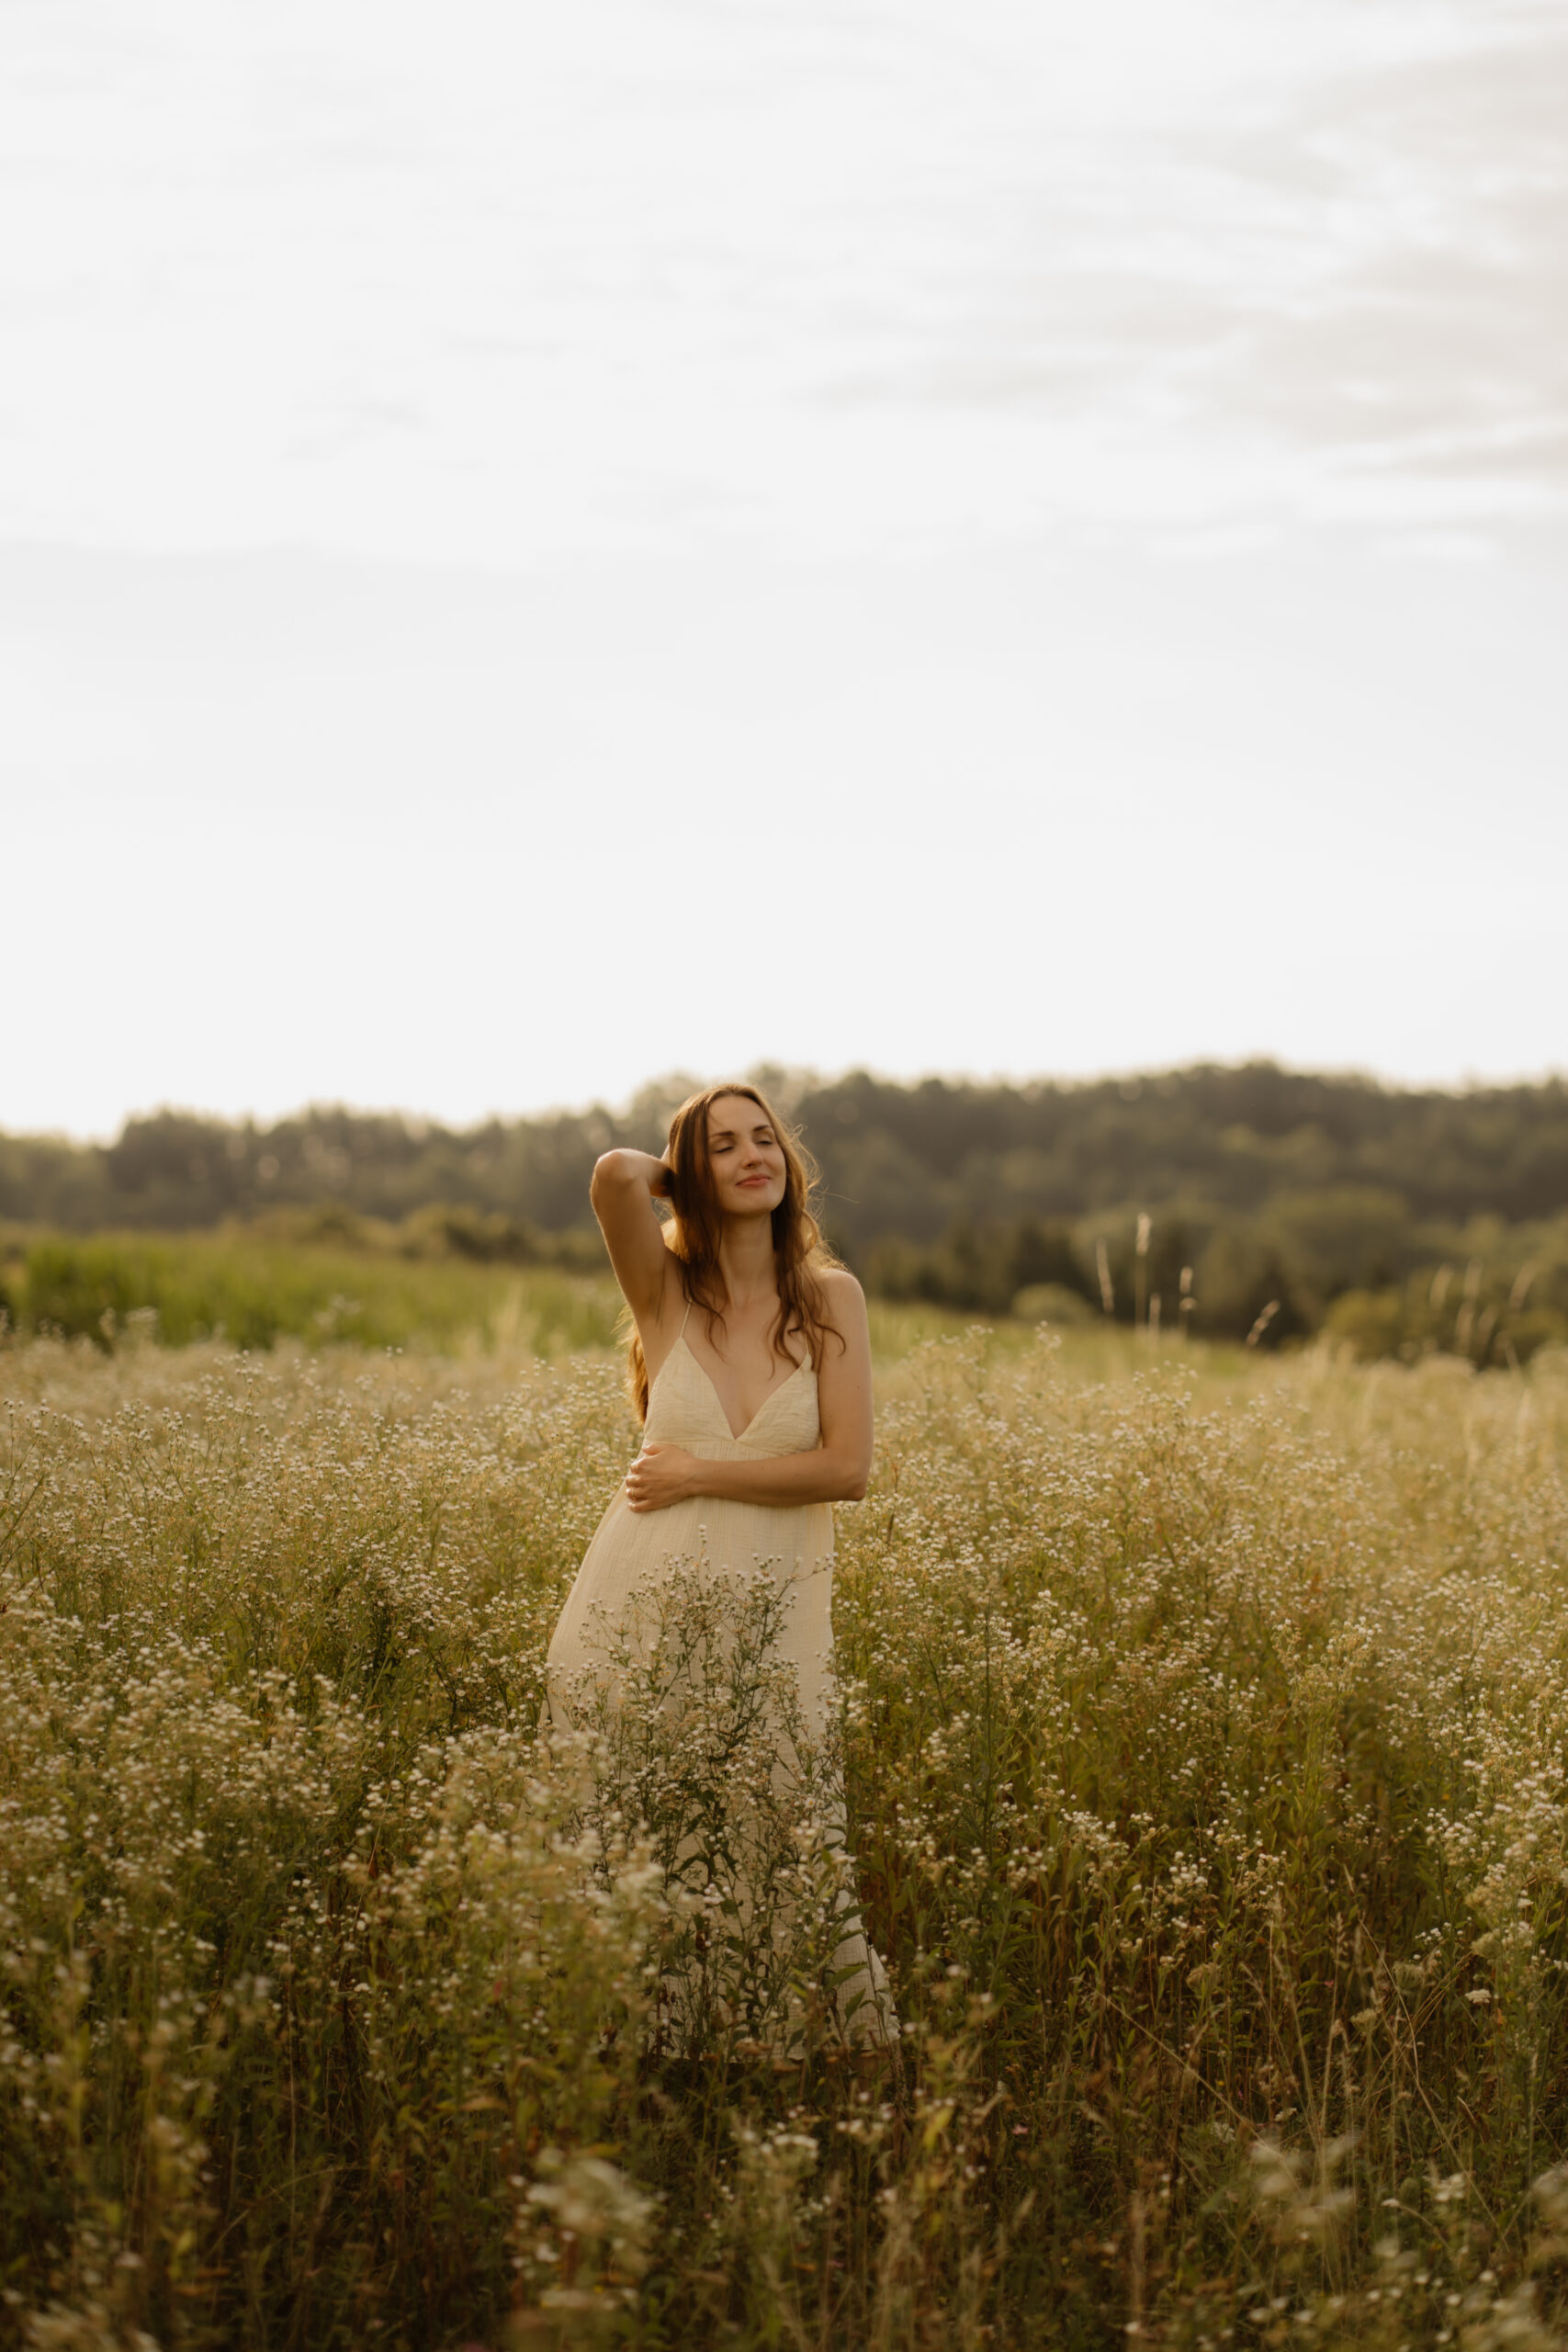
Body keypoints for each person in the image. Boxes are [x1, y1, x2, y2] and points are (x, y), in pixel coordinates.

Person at [544, 1080, 896, 2050]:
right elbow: (615, 1175)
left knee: (781, 1815)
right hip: (638, 1599)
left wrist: (698, 1468)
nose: (754, 1156)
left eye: (765, 1140)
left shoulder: (831, 1298)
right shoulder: (665, 1291)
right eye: (725, 1146)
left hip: (774, 1603)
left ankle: (771, 2041)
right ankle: (638, 2038)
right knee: (644, 1820)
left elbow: (847, 1469)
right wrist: (683, 1175)